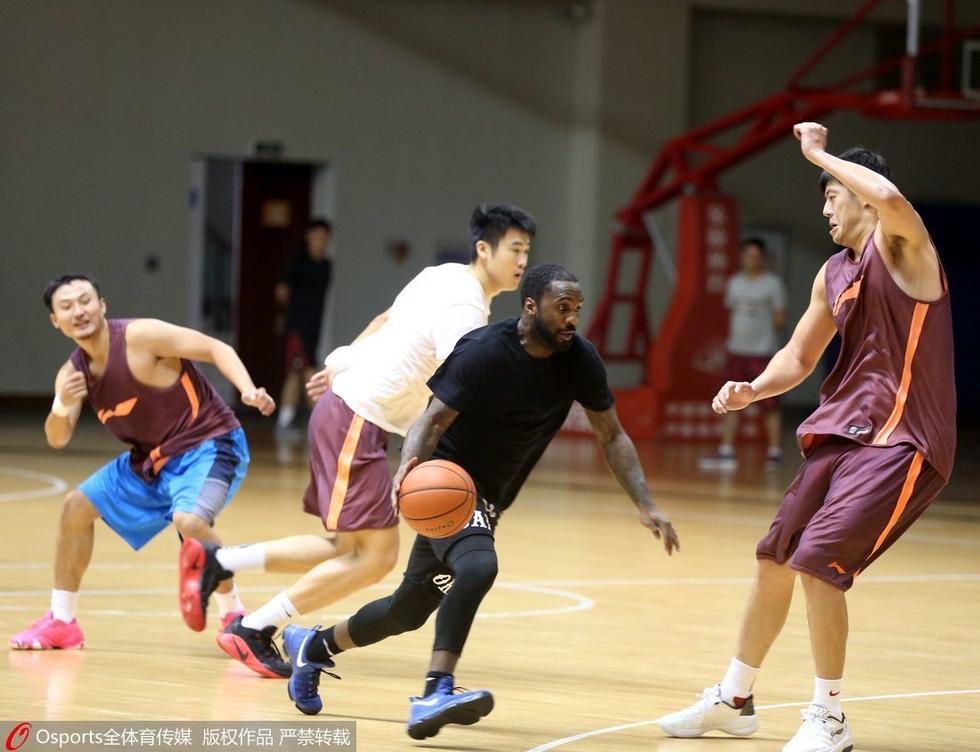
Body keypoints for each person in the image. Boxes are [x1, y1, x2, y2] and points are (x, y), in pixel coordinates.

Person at [281, 263, 681, 740]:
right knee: (478, 567)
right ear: (531, 307)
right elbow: (430, 421)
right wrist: (409, 470)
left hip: (488, 497)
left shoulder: (580, 360)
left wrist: (645, 502)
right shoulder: (484, 351)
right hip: (446, 485)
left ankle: (314, 646)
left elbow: (612, 435)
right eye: (562, 308)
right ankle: (436, 690)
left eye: (577, 309)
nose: (572, 318)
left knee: (408, 609)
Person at [657, 123, 955, 752]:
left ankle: (830, 718)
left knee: (819, 565)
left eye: (831, 196)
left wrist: (821, 154)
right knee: (775, 558)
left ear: (862, 197)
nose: (824, 208)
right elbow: (796, 356)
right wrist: (753, 389)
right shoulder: (832, 274)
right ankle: (736, 698)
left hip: (902, 443)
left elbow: (895, 203)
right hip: (841, 435)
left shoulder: (904, 248)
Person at [178, 204, 536, 678]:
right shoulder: (464, 309)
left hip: (354, 415)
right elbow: (459, 392)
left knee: (348, 550)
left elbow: (385, 319)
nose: (522, 262)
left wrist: (343, 360)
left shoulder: (442, 275)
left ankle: (221, 563)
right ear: (484, 248)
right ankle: (253, 626)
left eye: (527, 252)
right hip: (358, 418)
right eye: (515, 249)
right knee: (375, 557)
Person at [9, 274, 275, 651]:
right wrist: (61, 403)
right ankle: (62, 622)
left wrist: (247, 389)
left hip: (208, 444)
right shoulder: (71, 374)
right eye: (66, 307)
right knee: (75, 507)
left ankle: (234, 616)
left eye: (85, 300)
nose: (78, 311)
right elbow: (57, 438)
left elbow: (216, 348)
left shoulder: (141, 336)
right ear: (56, 320)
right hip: (150, 461)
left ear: (102, 305)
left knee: (190, 521)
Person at [699, 238, 786, 470]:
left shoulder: (772, 284)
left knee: (769, 401)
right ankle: (726, 450)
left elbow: (780, 318)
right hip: (737, 350)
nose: (752, 260)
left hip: (762, 352)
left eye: (756, 256)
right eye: (748, 256)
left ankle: (774, 451)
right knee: (730, 399)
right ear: (742, 257)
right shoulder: (734, 283)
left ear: (763, 258)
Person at [275, 218, 333, 430]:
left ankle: (302, 420)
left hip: (313, 328)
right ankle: (315, 422)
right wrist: (286, 316)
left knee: (302, 371)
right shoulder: (297, 264)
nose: (320, 241)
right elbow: (281, 292)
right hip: (297, 327)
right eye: (317, 236)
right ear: (308, 237)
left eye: (324, 238)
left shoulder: (326, 266)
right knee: (304, 371)